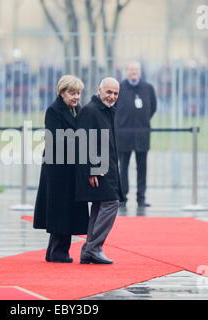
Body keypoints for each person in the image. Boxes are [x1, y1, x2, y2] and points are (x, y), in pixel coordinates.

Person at [33, 75, 89, 263]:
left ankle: (55, 252)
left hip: (71, 167)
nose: (76, 97)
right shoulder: (53, 111)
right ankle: (58, 252)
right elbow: (56, 139)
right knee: (60, 210)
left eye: (79, 93)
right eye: (72, 93)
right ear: (62, 93)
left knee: (67, 210)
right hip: (57, 169)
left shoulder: (77, 109)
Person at [75, 77, 124, 264]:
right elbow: (82, 141)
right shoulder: (90, 110)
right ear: (99, 90)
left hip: (108, 168)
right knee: (111, 203)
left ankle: (90, 249)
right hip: (98, 169)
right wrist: (91, 169)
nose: (112, 96)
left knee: (99, 206)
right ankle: (92, 247)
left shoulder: (108, 110)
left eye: (116, 93)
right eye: (109, 92)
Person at [115, 61, 157, 208]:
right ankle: (122, 197)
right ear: (127, 71)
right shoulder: (119, 88)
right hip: (123, 135)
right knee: (123, 168)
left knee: (142, 168)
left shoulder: (148, 88)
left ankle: (141, 197)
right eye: (131, 69)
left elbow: (153, 107)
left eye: (136, 69)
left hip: (142, 135)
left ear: (140, 71)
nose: (134, 72)